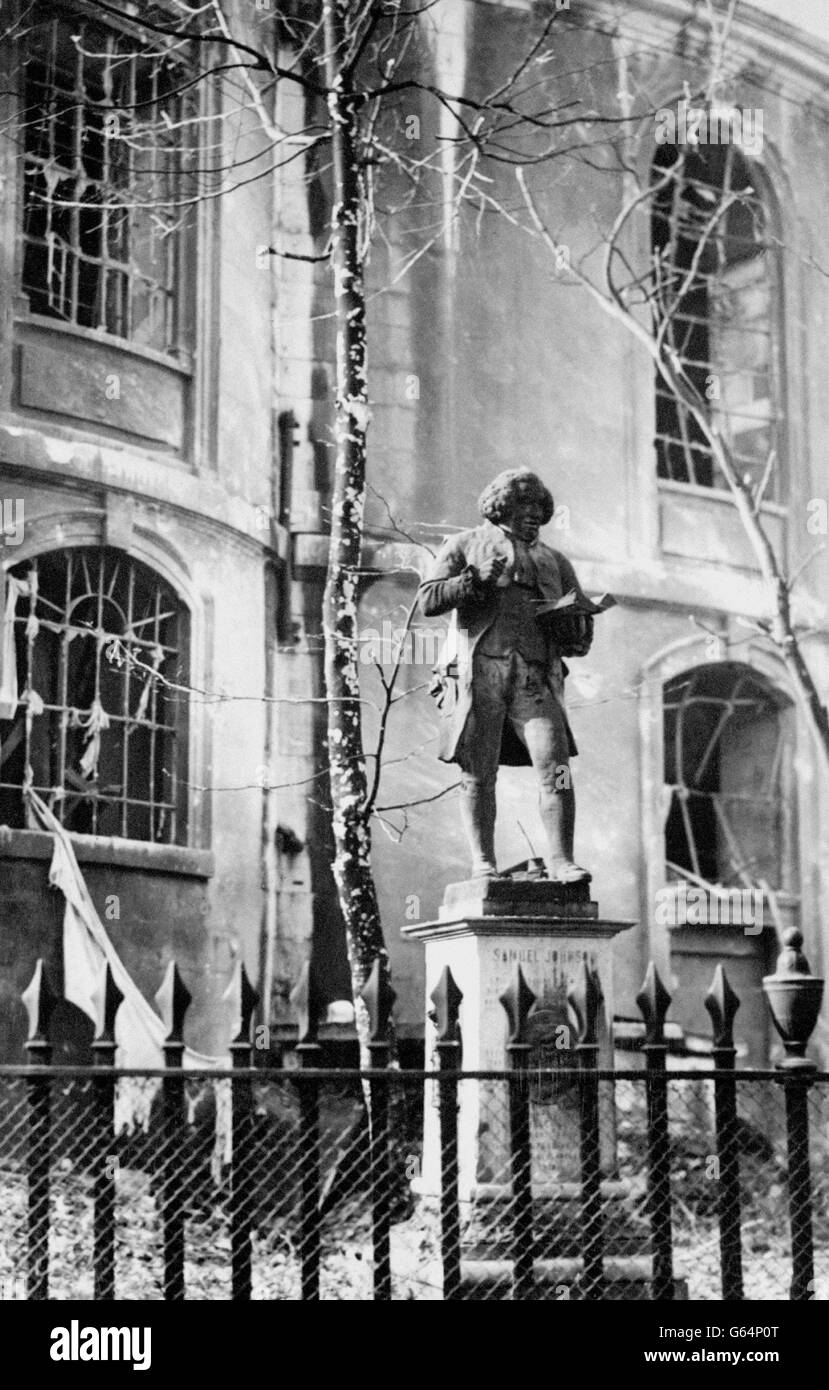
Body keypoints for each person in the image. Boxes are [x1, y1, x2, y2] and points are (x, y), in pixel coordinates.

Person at [418, 468, 593, 883]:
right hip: (480, 673)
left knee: (556, 767)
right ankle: (483, 862)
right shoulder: (464, 544)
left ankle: (562, 861)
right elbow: (428, 599)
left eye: (539, 508)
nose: (534, 515)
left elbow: (580, 635)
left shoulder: (555, 561)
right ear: (502, 507)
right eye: (523, 506)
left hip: (535, 676)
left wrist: (573, 623)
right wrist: (473, 579)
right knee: (478, 771)